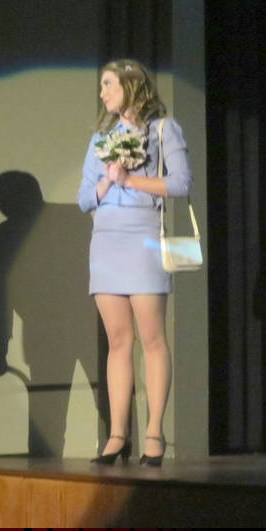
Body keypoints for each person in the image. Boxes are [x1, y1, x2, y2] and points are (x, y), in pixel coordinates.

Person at [77, 59, 192, 466]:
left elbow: (181, 182)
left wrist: (131, 180)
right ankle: (117, 435)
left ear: (131, 86)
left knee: (152, 338)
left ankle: (155, 433)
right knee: (118, 341)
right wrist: (108, 179)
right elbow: (84, 199)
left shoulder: (163, 129)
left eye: (109, 84)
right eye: (102, 85)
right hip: (107, 243)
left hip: (144, 240)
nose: (103, 93)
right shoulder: (101, 139)